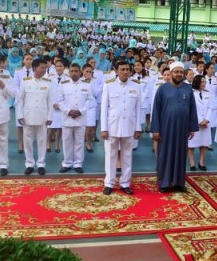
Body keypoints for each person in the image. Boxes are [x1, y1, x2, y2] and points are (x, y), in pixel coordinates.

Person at [151, 61, 199, 193]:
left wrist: (191, 127)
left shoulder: (188, 89)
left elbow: (192, 109)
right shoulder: (162, 89)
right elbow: (156, 110)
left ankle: (179, 182)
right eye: (176, 72)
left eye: (181, 72)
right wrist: (155, 129)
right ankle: (164, 183)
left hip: (182, 128)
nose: (179, 74)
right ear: (171, 73)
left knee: (180, 154)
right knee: (165, 154)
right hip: (166, 128)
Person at [101, 61, 142, 195]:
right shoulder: (109, 85)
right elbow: (104, 109)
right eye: (122, 69)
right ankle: (109, 182)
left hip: (129, 127)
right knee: (110, 155)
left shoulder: (136, 86)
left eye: (127, 70)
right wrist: (103, 128)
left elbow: (138, 109)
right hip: (112, 126)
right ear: (116, 71)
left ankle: (125, 183)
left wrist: (138, 128)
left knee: (127, 156)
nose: (125, 72)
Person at [16, 58, 52, 175]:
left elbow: (50, 101)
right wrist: (20, 115)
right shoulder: (25, 82)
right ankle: (29, 163)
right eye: (42, 67)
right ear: (35, 68)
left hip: (42, 116)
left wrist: (50, 116)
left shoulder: (48, 82)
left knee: (42, 141)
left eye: (45, 67)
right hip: (28, 116)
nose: (44, 69)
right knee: (28, 141)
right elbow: (20, 100)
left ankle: (41, 163)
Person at [57, 62, 92, 174]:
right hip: (67, 118)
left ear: (80, 71)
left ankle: (78, 163)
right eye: (72, 71)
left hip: (80, 118)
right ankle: (67, 163)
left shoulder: (86, 84)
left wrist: (81, 111)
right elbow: (59, 100)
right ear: (69, 72)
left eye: (76, 71)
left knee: (79, 142)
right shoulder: (63, 84)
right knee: (67, 141)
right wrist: (68, 111)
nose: (74, 73)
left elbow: (89, 100)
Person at [188, 75, 211, 171]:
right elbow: (191, 108)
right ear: (197, 82)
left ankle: (201, 162)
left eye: (205, 82)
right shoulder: (191, 93)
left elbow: (211, 108)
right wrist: (199, 120)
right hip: (195, 122)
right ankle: (192, 162)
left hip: (206, 123)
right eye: (202, 82)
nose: (204, 84)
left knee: (204, 143)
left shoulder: (208, 93)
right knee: (192, 143)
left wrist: (207, 119)